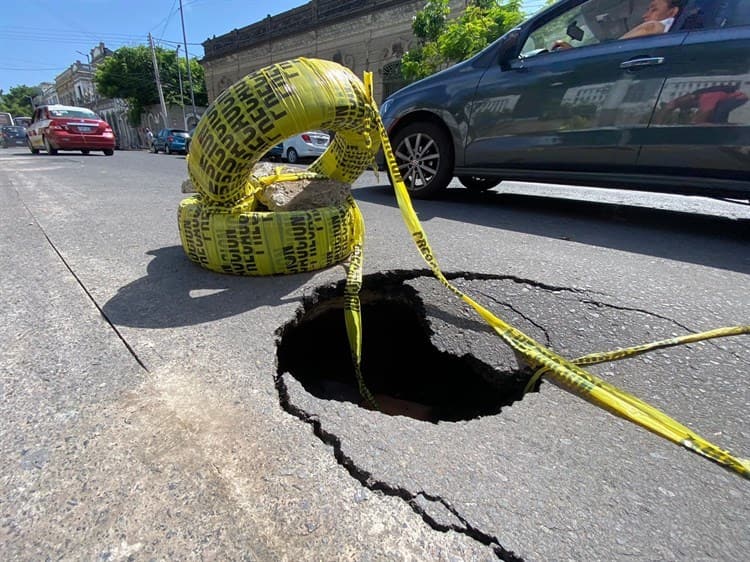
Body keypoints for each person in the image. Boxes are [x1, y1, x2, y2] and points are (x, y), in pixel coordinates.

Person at [552, 0, 682, 50]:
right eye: (647, 9)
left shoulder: (663, 25)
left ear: (673, 11)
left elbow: (651, 26)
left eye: (654, 9)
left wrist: (610, 50)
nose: (645, 15)